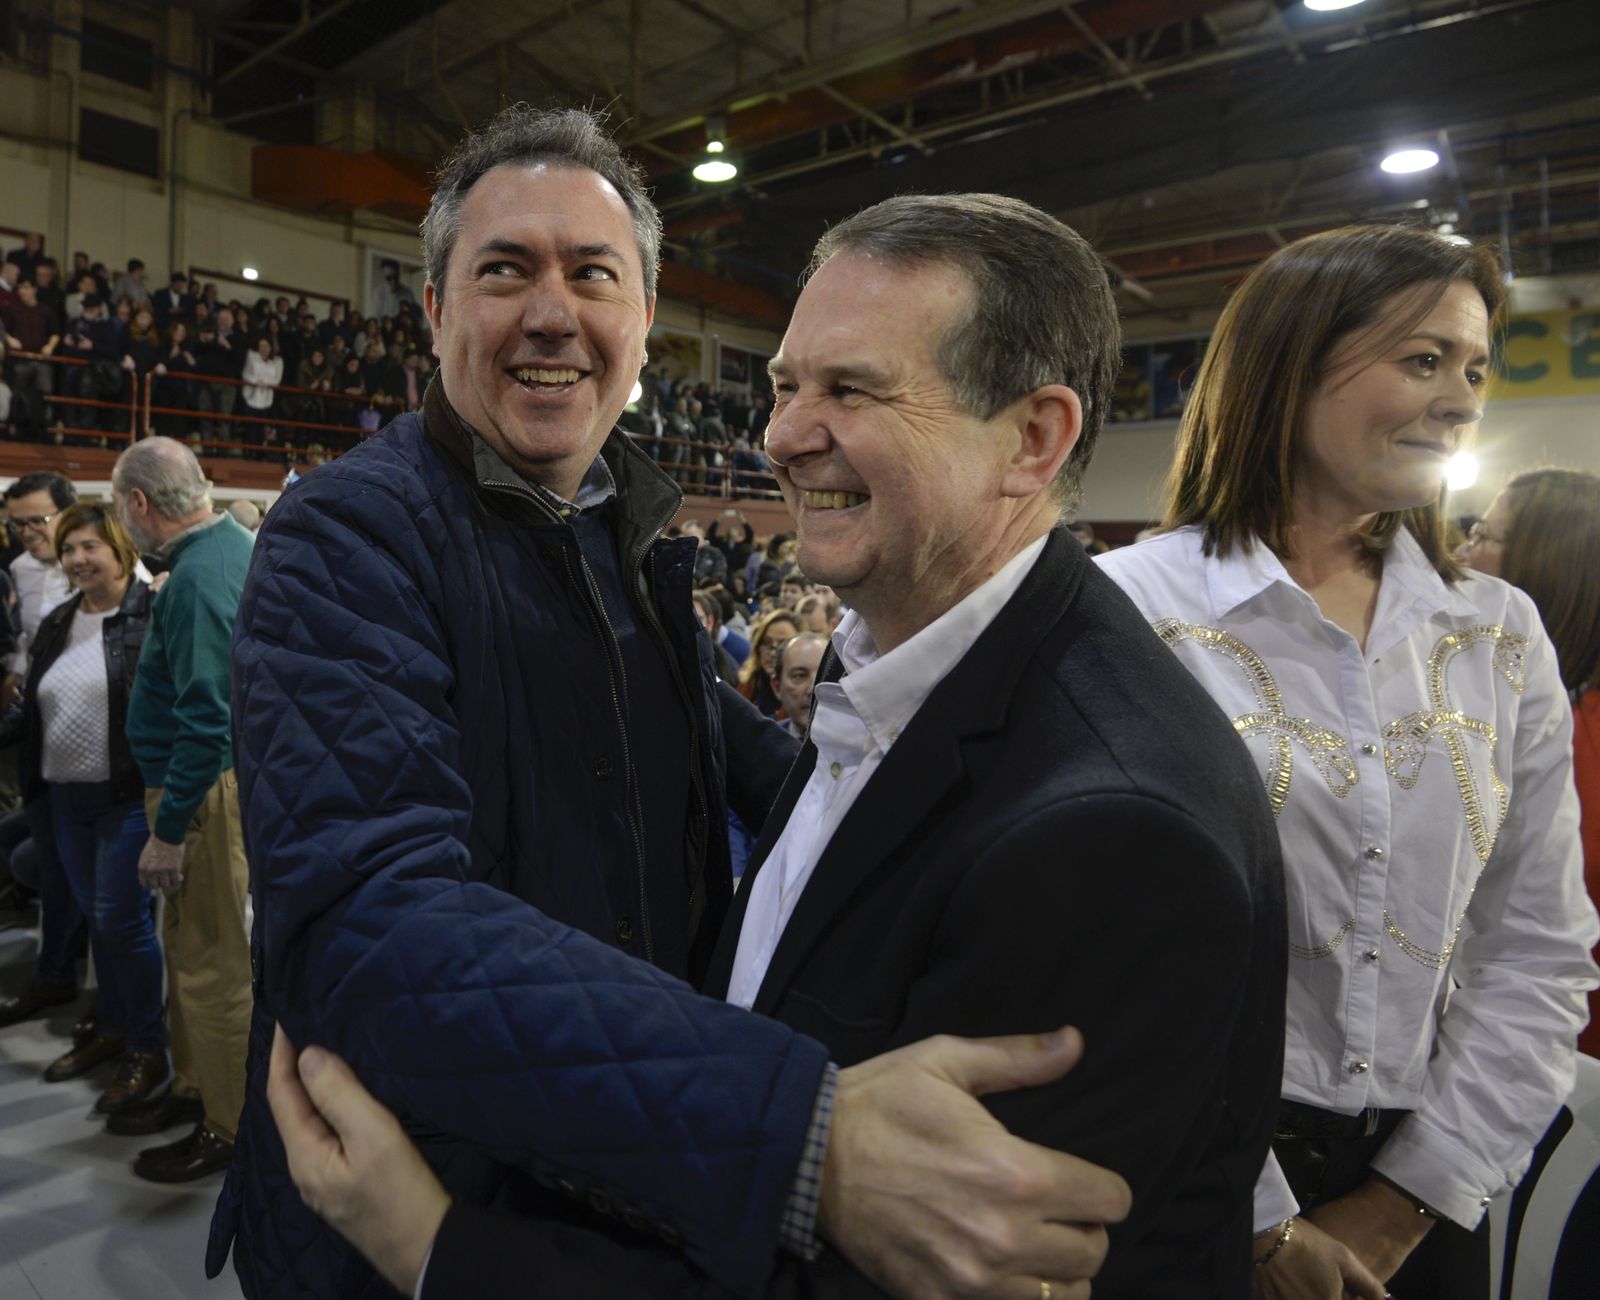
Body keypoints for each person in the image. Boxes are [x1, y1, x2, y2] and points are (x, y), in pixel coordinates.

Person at [267, 189, 1288, 1300]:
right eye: (785, 385)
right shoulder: (911, 667)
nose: (782, 435)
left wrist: (437, 1249)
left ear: (1032, 439)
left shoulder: (1111, 835)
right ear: (431, 308)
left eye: (850, 388)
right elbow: (379, 904)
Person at [1097, 224, 1600, 1299]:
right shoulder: (1128, 610)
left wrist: (1400, 1205)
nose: (1462, 398)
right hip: (1180, 1180)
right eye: (1421, 360)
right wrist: (1265, 1222)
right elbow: (1090, 940)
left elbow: (1538, 951)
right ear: (1291, 361)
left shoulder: (1498, 634)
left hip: (1423, 1206)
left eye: (1473, 369)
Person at [112, 437, 256, 1179]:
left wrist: (168, 832)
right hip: (203, 787)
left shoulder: (197, 579)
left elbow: (208, 718)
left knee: (212, 963)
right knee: (190, 953)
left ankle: (229, 1128)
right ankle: (198, 1089)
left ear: (139, 505)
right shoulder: (227, 546)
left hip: (198, 793)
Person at [20, 503, 168, 1112]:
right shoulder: (59, 620)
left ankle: (146, 1045)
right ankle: (112, 1024)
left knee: (120, 919)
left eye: (91, 547)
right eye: (70, 548)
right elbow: (34, 707)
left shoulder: (151, 612)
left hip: (126, 796)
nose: (79, 559)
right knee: (96, 913)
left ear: (120, 549)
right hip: (64, 796)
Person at [1459, 468, 1600, 1057]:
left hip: (1544, 1047)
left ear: (1545, 564)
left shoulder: (1568, 733)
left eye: (1484, 536)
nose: (1460, 553)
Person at [0, 472, 89, 1030]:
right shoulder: (20, 570)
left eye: (39, 520)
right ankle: (56, 973)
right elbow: (27, 646)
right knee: (47, 864)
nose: (28, 532)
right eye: (17, 523)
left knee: (69, 868)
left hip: (91, 744)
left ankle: (78, 985)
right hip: (37, 733)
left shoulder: (102, 566)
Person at [0, 277, 61, 441]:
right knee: (18, 393)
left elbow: (55, 333)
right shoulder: (12, 309)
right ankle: (15, 429)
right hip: (20, 360)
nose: (22, 292)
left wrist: (50, 346)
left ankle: (44, 430)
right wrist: (9, 339)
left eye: (26, 288)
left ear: (34, 289)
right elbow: (3, 329)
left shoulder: (46, 310)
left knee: (44, 395)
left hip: (41, 360)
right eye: (20, 288)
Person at [739, 608, 801, 718]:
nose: (772, 653)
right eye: (767, 642)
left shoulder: (805, 695)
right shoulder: (748, 685)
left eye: (782, 644)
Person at [771, 631, 826, 740]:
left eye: (824, 675)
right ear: (777, 687)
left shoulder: (863, 745)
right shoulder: (762, 745)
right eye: (799, 676)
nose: (813, 690)